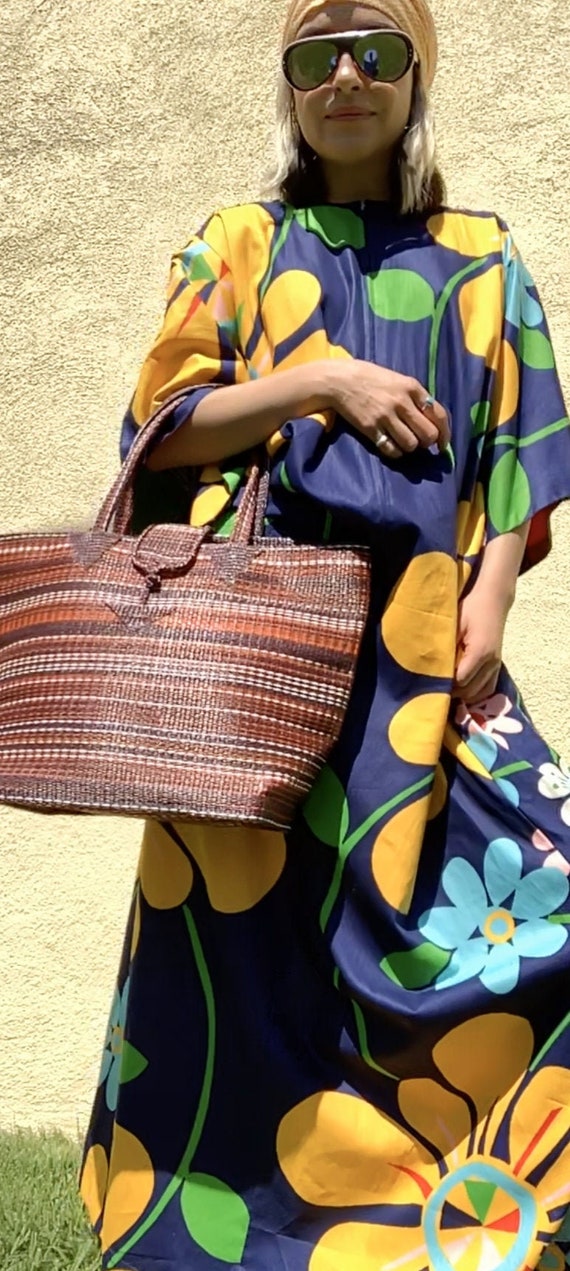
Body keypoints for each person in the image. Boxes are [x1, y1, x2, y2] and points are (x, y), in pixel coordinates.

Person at [79, 0, 570, 1267]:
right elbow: (160, 432)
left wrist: (495, 597)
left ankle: (457, 1209)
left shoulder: (486, 253)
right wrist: (319, 380)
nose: (347, 76)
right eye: (316, 55)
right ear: (288, 85)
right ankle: (225, 1228)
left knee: (534, 897)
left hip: (427, 659)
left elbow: (521, 449)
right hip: (250, 668)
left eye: (378, 50)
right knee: (245, 957)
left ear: (420, 74)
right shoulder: (238, 242)